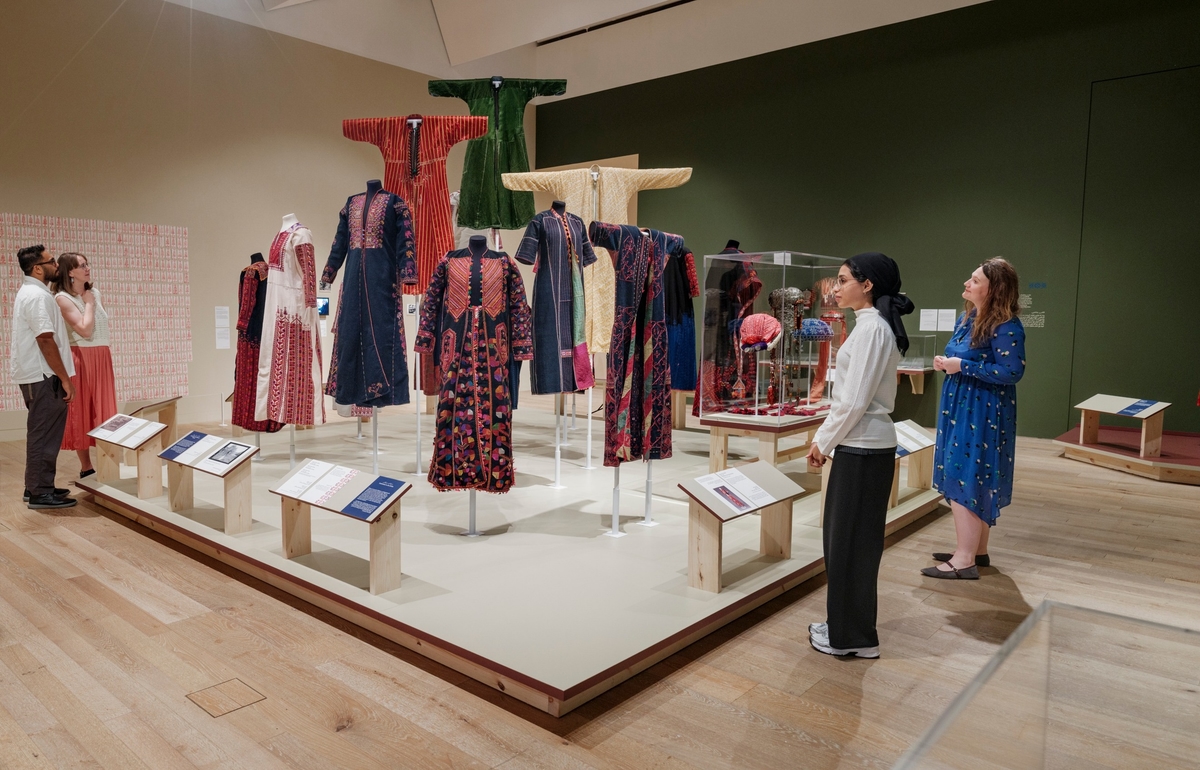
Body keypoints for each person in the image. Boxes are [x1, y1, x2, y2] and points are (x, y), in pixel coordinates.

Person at [806, 252, 914, 658]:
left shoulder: (872, 331)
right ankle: (845, 626)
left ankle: (851, 638)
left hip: (862, 446)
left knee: (850, 544)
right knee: (849, 543)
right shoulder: (871, 326)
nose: (835, 288)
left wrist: (823, 440)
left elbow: (853, 401)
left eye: (843, 279)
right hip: (862, 446)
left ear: (867, 285)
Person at [923, 258, 1025, 579]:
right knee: (971, 471)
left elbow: (1011, 372)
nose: (967, 283)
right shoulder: (967, 318)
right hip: (961, 405)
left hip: (982, 410)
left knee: (964, 473)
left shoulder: (1006, 325)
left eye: (975, 280)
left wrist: (962, 367)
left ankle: (963, 560)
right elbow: (964, 355)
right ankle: (975, 551)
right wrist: (947, 362)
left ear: (993, 289)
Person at [10, 245, 77, 509]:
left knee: (45, 432)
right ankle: (39, 492)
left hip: (38, 374)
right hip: (43, 375)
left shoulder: (32, 292)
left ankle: (38, 486)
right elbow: (45, 339)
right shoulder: (36, 296)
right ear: (38, 268)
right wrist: (66, 379)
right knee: (43, 432)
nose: (56, 265)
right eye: (51, 261)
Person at [54, 251, 117, 479]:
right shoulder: (63, 298)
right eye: (82, 265)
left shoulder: (94, 293)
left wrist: (91, 299)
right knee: (82, 410)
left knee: (104, 410)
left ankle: (108, 464)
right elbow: (84, 329)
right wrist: (88, 304)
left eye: (87, 264)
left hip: (101, 356)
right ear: (70, 272)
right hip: (80, 356)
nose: (87, 268)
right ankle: (86, 467)